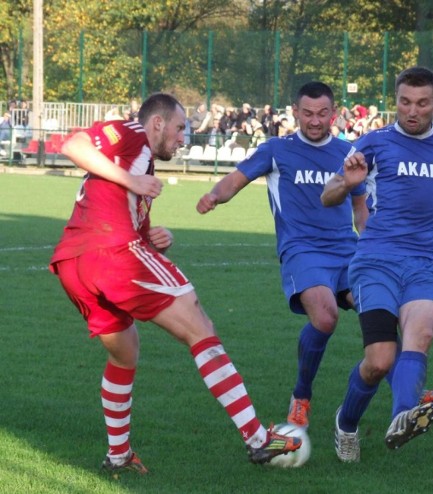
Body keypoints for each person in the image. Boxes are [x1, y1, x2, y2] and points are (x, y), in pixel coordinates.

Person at [49, 92, 300, 475]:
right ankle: (257, 438)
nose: (184, 138)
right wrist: (130, 181)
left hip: (75, 265)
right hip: (111, 252)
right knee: (199, 325)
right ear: (157, 123)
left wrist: (152, 236)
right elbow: (73, 143)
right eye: (180, 128)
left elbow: (123, 208)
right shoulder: (131, 133)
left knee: (124, 352)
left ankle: (118, 455)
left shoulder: (141, 167)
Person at [321, 66, 433, 462]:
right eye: (405, 102)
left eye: (422, 103)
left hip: (426, 265)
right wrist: (347, 184)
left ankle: (403, 416)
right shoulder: (374, 142)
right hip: (376, 263)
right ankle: (346, 423)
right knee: (379, 361)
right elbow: (328, 196)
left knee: (419, 336)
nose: (412, 111)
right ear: (396, 100)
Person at [196, 82, 369, 431]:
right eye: (308, 113)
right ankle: (301, 395)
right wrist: (214, 195)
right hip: (302, 249)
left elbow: (360, 207)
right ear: (295, 112)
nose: (315, 120)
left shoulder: (348, 152)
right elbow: (236, 179)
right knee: (325, 316)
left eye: (323, 113)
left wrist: (371, 244)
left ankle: (402, 404)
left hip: (347, 250)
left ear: (333, 114)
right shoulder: (276, 149)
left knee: (380, 316)